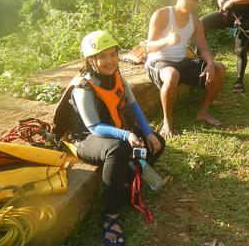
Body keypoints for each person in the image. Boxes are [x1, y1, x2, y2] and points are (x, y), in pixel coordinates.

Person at [53, 30, 165, 246]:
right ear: (91, 60)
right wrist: (126, 134)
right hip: (84, 138)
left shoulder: (118, 78)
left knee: (158, 143)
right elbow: (93, 126)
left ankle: (126, 182)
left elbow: (134, 107)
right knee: (118, 149)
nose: (110, 60)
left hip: (113, 131)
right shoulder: (83, 87)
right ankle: (111, 214)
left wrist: (149, 133)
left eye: (113, 54)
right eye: (102, 56)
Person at [145, 0, 226, 138]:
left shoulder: (195, 21)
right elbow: (149, 47)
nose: (191, 3)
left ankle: (202, 112)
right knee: (172, 75)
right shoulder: (162, 14)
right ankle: (167, 122)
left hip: (181, 61)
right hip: (158, 60)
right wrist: (167, 40)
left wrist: (209, 64)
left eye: (195, 0)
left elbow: (204, 49)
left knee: (219, 68)